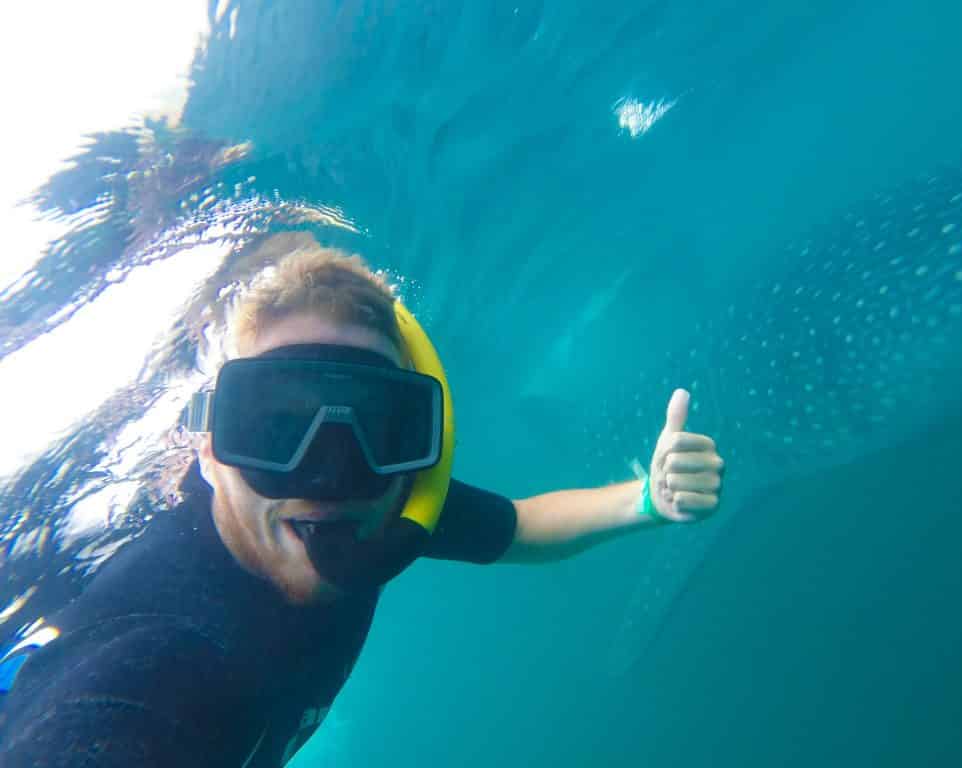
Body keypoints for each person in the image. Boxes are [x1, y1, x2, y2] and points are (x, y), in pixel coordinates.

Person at [0, 241, 724, 767]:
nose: (328, 479)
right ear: (209, 449)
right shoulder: (146, 655)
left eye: (379, 428)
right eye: (277, 428)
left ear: (419, 452)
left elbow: (521, 526)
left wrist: (647, 500)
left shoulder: (386, 510)